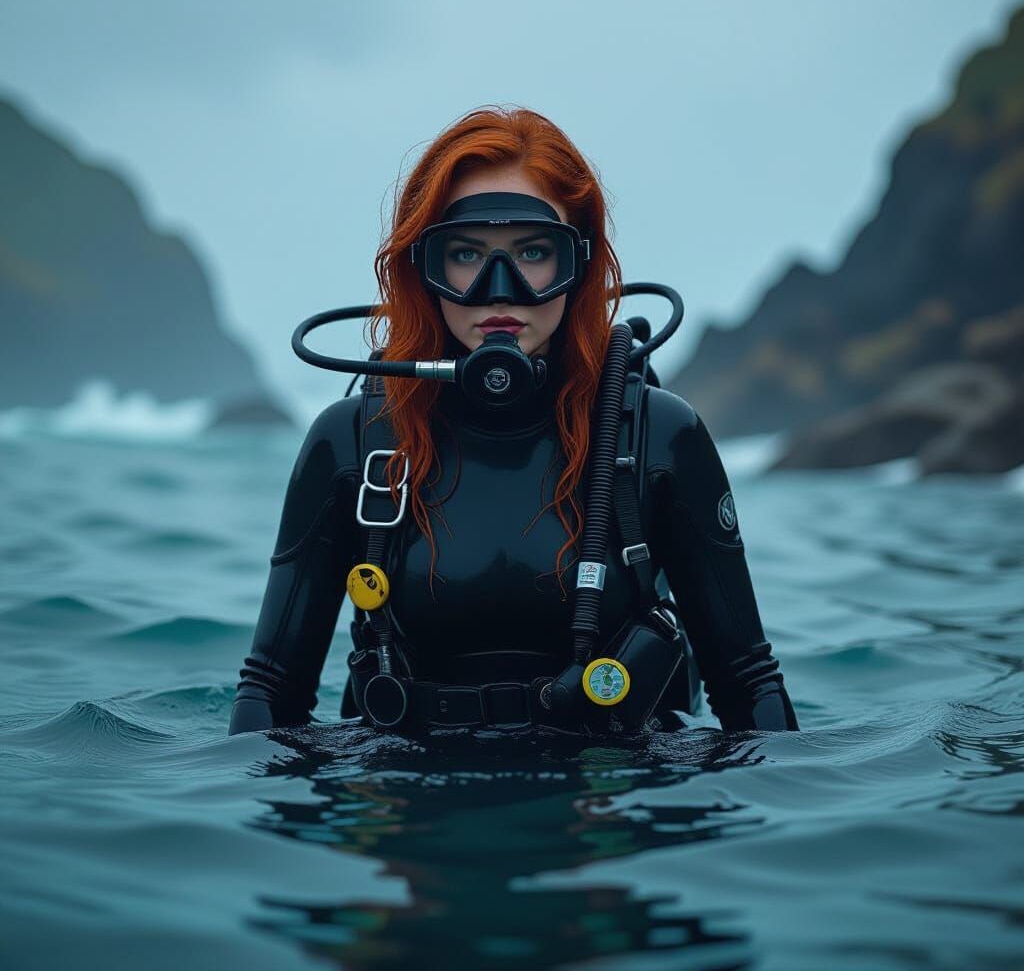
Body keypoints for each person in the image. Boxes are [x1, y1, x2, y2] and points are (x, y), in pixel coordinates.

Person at [227, 106, 798, 737]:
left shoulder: (657, 434)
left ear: (577, 265)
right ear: (423, 268)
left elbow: (749, 686)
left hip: (613, 798)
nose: (500, 290)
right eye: (466, 254)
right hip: (408, 795)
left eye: (532, 252)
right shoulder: (354, 443)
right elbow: (270, 694)